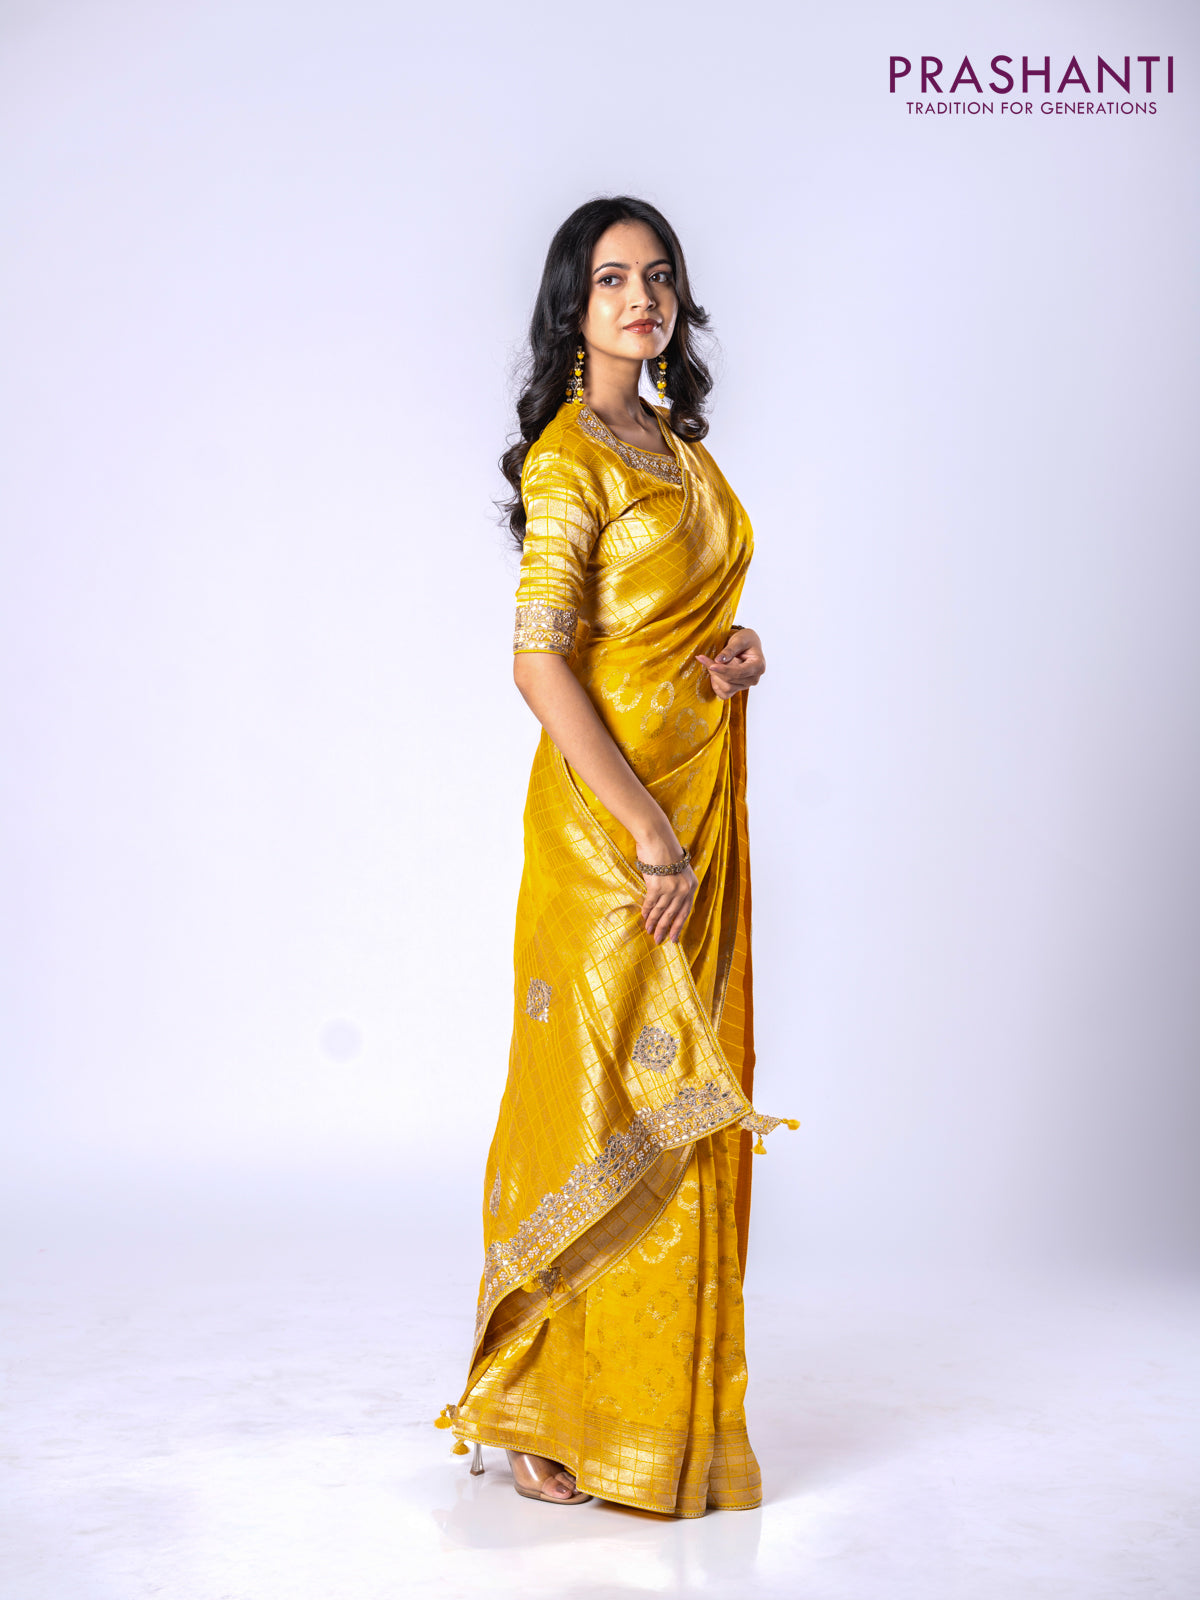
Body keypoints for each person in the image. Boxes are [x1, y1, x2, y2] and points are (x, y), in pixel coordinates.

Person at [433, 196, 797, 1518]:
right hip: (615, 835)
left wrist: (737, 654)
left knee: (678, 1100)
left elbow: (682, 623)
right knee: (591, 1099)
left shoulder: (682, 453)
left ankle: (648, 1417)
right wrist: (644, 833)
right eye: (610, 280)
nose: (640, 297)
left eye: (658, 277)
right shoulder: (568, 462)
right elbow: (540, 662)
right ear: (571, 309)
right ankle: (537, 1399)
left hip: (698, 808)